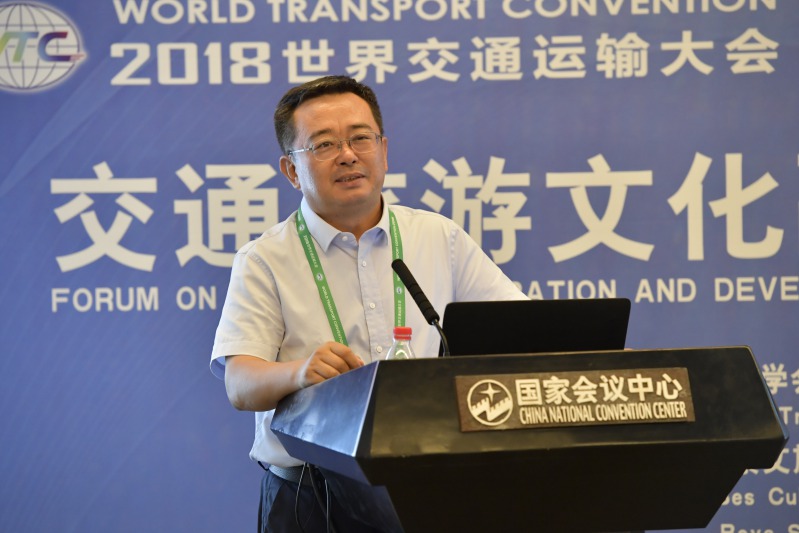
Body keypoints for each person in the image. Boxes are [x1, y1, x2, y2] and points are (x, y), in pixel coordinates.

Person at [210, 75, 526, 532]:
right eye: (324, 144)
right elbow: (240, 384)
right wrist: (299, 373)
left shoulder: (438, 238)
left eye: (361, 138)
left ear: (384, 150)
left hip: (430, 487)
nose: (348, 155)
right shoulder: (264, 259)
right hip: (312, 499)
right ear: (292, 170)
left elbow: (520, 330)